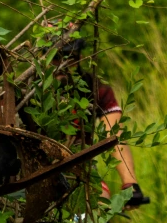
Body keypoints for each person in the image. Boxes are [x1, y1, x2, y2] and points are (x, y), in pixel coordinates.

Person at [51, 34, 150, 208]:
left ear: (81, 58)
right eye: (55, 58)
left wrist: (130, 185)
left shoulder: (94, 87)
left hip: (80, 166)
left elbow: (113, 132)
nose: (62, 65)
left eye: (70, 58)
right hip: (40, 166)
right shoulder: (31, 89)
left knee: (99, 200)